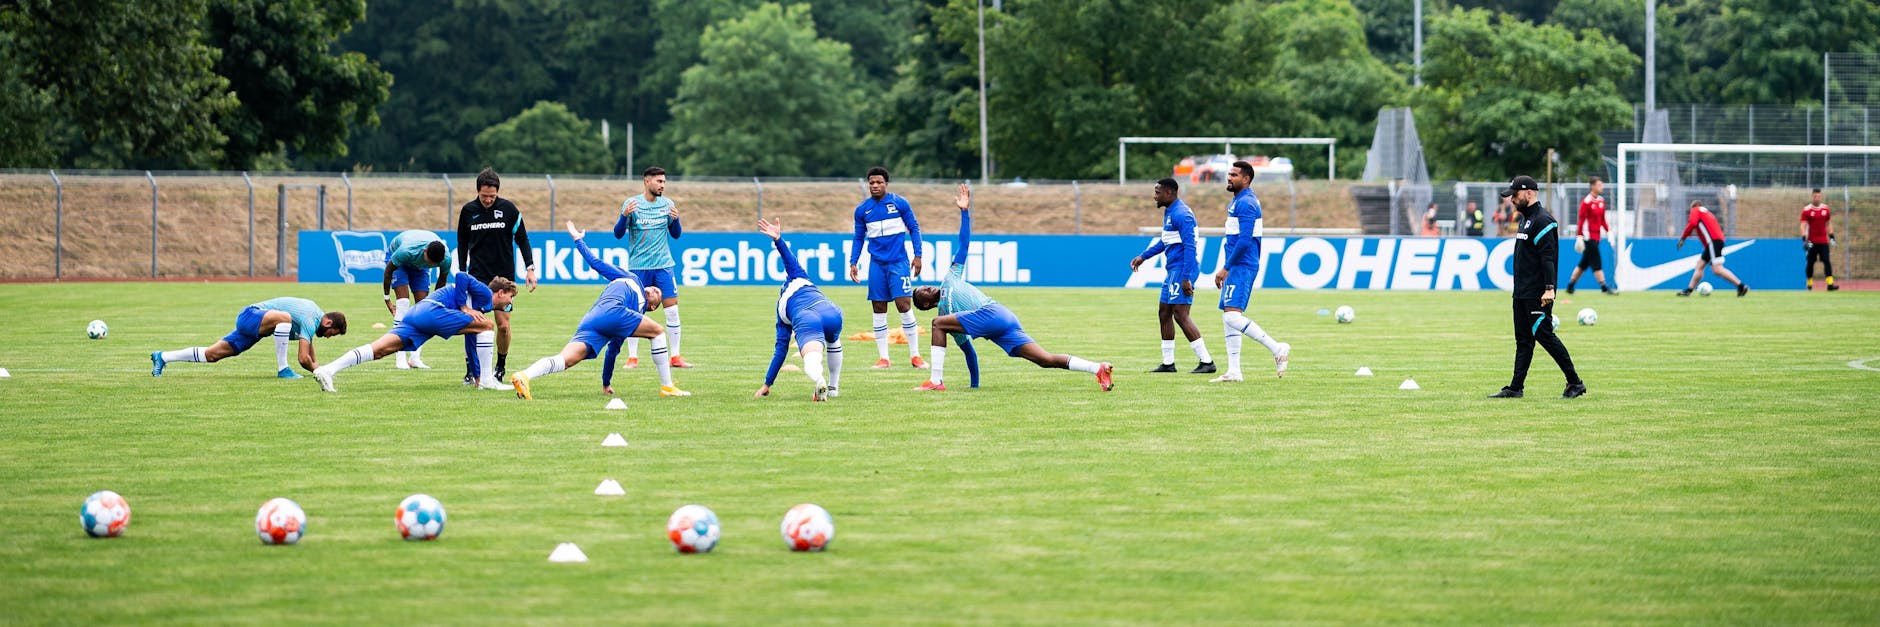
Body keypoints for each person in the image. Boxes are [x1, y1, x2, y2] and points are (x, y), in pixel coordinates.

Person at [910, 183, 1112, 392]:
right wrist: (974, 386)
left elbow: (964, 244)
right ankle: (1098, 368)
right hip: (1000, 323)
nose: (927, 286)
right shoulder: (946, 317)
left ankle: (935, 381)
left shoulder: (950, 278)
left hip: (994, 313)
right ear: (925, 304)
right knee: (1044, 359)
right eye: (923, 291)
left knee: (937, 323)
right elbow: (969, 352)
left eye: (924, 285)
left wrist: (965, 213)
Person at [511, 221, 690, 400]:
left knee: (566, 360)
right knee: (658, 332)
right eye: (653, 287)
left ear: (652, 306)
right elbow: (596, 263)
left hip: (593, 320)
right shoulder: (632, 278)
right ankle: (667, 386)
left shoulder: (632, 316)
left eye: (657, 293)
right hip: (606, 314)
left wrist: (606, 383)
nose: (652, 289)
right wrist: (578, 240)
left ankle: (524, 375)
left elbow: (612, 351)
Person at [315, 273, 519, 392]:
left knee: (379, 350)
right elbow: (461, 275)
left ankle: (328, 370)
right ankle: (487, 379)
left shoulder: (480, 309)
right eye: (510, 297)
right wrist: (463, 308)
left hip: (416, 314)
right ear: (500, 293)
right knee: (488, 325)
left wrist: (474, 373)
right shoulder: (484, 292)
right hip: (432, 311)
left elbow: (471, 340)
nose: (510, 303)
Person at [1488, 175, 1585, 399]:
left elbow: (1548, 257)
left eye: (1515, 194)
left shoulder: (1543, 220)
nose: (1511, 199)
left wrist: (1549, 288)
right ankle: (1515, 387)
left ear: (1529, 193)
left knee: (1545, 336)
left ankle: (1575, 382)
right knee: (1523, 340)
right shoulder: (1525, 219)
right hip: (1521, 291)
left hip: (1537, 292)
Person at [1210, 160, 1290, 382]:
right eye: (1229, 173)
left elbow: (1245, 240)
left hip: (1242, 265)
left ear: (1246, 179)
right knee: (1229, 317)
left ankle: (1277, 348)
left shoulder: (1246, 203)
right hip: (1237, 263)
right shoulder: (1239, 200)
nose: (1229, 177)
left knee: (1233, 317)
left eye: (1234, 175)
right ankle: (1234, 371)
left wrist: (1226, 268)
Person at [456, 167, 538, 383]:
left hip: (503, 278)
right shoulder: (468, 211)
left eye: (492, 196)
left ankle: (500, 367)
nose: (488, 200)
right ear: (478, 192)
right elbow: (462, 244)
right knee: (473, 325)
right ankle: (471, 369)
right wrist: (462, 272)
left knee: (503, 325)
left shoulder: (509, 209)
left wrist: (530, 268)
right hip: (476, 277)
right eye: (484, 196)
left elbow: (523, 239)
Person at [754, 218, 845, 401]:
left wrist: (767, 383)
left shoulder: (781, 311)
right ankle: (834, 386)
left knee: (812, 355)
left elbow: (781, 351)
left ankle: (819, 380)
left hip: (806, 317)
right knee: (833, 340)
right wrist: (778, 240)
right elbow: (789, 258)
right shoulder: (799, 276)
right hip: (830, 311)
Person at [1129, 178, 1213, 374]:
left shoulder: (1182, 215)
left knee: (1180, 315)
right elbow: (1165, 241)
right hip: (1173, 269)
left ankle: (1207, 361)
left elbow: (1190, 246)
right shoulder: (1170, 212)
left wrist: (1186, 277)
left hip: (1182, 269)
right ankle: (1168, 364)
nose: (1154, 196)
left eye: (1157, 192)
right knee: (1164, 312)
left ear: (1169, 193)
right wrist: (1144, 256)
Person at [611, 166, 690, 369]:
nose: (662, 185)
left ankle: (676, 357)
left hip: (664, 265)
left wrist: (676, 220)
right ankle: (633, 358)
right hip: (638, 267)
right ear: (647, 182)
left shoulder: (668, 205)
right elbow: (618, 234)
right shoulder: (632, 204)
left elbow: (676, 234)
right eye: (659, 181)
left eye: (664, 181)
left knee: (672, 310)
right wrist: (623, 217)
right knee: (634, 310)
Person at [151, 298, 347, 378]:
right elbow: (303, 359)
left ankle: (163, 357)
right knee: (285, 318)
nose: (329, 337)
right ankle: (283, 369)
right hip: (251, 315)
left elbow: (310, 356)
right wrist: (323, 372)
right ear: (328, 323)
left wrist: (319, 369)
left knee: (213, 355)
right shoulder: (311, 318)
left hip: (257, 327)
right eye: (332, 334)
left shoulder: (313, 320)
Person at [850, 166, 927, 370]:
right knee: (878, 307)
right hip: (876, 264)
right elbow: (858, 237)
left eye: (879, 182)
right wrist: (853, 261)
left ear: (886, 184)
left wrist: (918, 255)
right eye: (872, 183)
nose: (875, 185)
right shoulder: (862, 210)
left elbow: (914, 228)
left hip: (898, 262)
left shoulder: (899, 203)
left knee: (903, 305)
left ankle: (915, 356)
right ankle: (884, 358)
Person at [381, 229, 450, 369]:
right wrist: (387, 298)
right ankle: (399, 358)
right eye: (429, 262)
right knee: (403, 304)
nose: (430, 266)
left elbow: (441, 283)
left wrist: (434, 304)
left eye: (433, 265)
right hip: (400, 262)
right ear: (425, 251)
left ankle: (415, 358)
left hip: (419, 268)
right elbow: (388, 271)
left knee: (424, 310)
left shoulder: (445, 259)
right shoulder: (406, 251)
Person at [1675, 200, 1749, 297]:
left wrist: (1683, 238)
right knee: (1700, 266)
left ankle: (1741, 286)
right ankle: (1688, 291)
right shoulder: (1707, 213)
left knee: (1717, 269)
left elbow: (1692, 223)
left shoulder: (1696, 209)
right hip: (1715, 242)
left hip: (1713, 242)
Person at [1567, 177, 1614, 294]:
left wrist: (1609, 232)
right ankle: (1604, 287)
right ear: (1592, 186)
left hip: (1597, 237)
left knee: (1584, 263)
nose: (1601, 187)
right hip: (1588, 237)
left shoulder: (1601, 201)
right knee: (1596, 261)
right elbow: (1581, 220)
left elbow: (1602, 219)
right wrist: (1579, 236)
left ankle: (1570, 286)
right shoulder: (1586, 202)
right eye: (1599, 185)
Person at [1801, 188, 1838, 291]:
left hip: (1823, 241)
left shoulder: (1825, 209)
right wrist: (1804, 239)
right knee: (1810, 263)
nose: (1817, 198)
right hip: (1811, 242)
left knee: (1826, 261)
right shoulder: (1807, 210)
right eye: (1815, 196)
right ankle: (1809, 284)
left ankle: (1830, 284)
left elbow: (1828, 223)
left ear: (1821, 196)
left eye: (1818, 196)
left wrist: (1831, 237)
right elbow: (1803, 225)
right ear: (1812, 196)